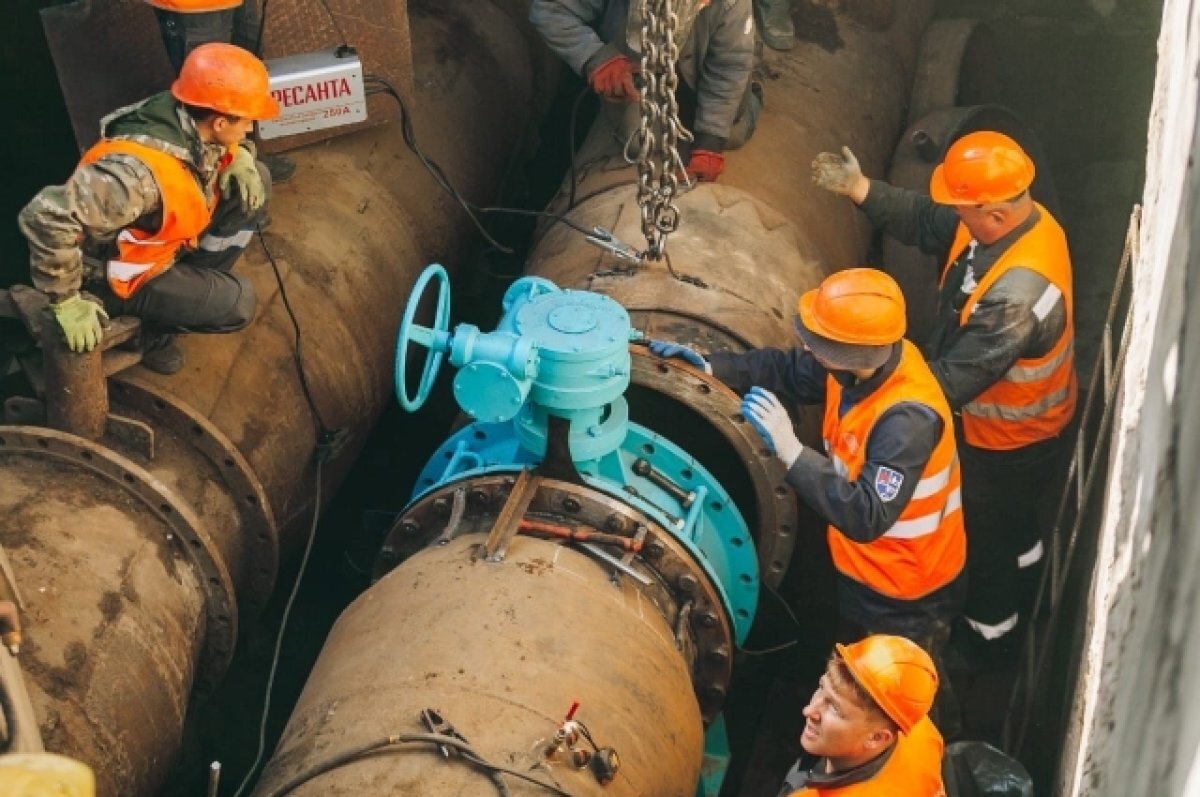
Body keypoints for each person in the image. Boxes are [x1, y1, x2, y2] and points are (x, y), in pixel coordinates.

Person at [811, 132, 1075, 656]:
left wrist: (861, 365)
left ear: (992, 214)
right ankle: (1031, 563)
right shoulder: (1007, 222)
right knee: (1015, 526)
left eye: (962, 206)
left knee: (989, 537)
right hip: (1008, 435)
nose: (953, 214)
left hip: (1008, 440)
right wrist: (861, 188)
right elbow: (928, 220)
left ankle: (990, 638)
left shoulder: (1017, 296)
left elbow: (951, 381)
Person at [649, 269, 966, 654]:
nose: (806, 345)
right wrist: (710, 366)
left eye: (817, 340)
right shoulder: (865, 364)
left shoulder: (906, 421)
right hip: (859, 568)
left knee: (890, 690)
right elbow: (786, 369)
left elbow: (866, 515)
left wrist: (792, 450)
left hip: (902, 590)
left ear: (848, 351)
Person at [18, 43, 280, 374]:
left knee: (259, 178)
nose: (249, 129)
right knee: (236, 302)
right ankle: (151, 332)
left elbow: (206, 152)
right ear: (218, 122)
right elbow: (44, 215)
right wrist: (66, 300)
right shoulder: (134, 178)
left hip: (159, 242)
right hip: (113, 272)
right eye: (245, 122)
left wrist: (239, 153)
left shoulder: (183, 110)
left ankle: (188, 287)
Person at [529, 0, 759, 182]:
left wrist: (711, 141)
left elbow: (729, 64)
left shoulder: (732, 4)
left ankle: (753, 100)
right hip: (639, 73)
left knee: (731, 132)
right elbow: (550, 10)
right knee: (638, 139)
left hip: (699, 74)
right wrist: (595, 58)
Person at [777, 635, 946, 796]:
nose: (809, 711)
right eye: (822, 688)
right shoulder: (919, 732)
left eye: (835, 708)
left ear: (877, 738)